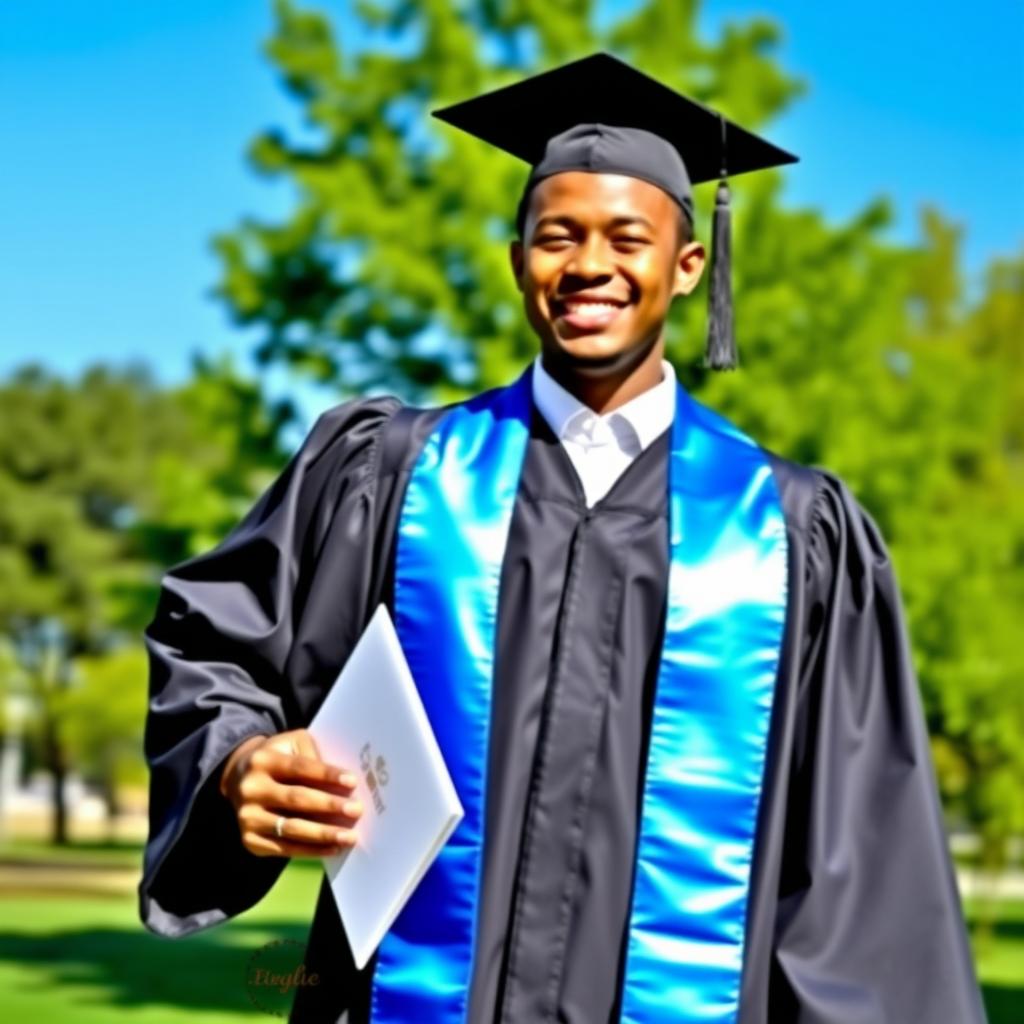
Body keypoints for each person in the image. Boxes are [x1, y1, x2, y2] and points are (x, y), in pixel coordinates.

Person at [139, 53, 986, 1023]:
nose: (588, 265)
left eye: (628, 237)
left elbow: (861, 867)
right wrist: (238, 765)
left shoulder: (790, 535)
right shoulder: (393, 475)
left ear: (689, 266)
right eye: (556, 236)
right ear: (517, 262)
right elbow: (216, 645)